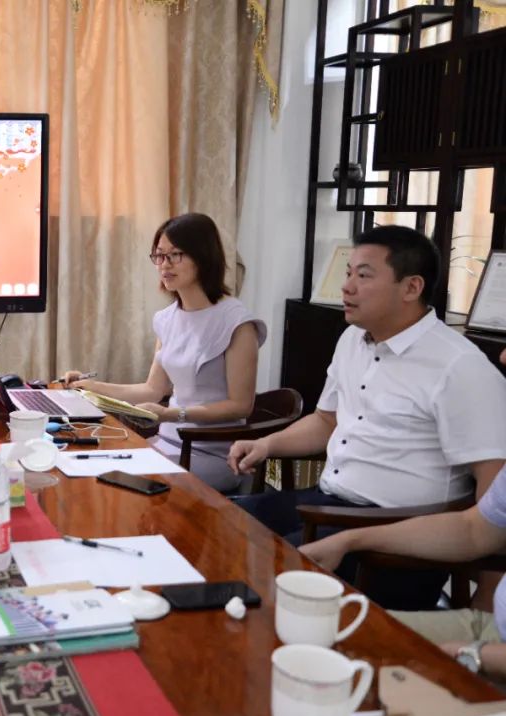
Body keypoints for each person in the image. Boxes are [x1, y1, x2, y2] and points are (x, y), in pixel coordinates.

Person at [229, 225, 506, 609]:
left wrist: (488, 597)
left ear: (411, 287)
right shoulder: (352, 339)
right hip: (327, 501)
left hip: (395, 531)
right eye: (348, 273)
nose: (346, 287)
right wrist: (266, 444)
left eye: (363, 276)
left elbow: (494, 493)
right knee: (218, 524)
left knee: (258, 578)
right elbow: (326, 422)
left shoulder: (460, 367)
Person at [301, 394, 506, 680]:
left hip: (491, 653)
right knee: (321, 632)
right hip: (490, 631)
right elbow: (472, 529)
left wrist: (475, 655)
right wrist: (349, 540)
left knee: (349, 671)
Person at [63, 212, 265, 493]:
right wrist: (90, 386)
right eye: (159, 256)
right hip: (166, 443)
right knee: (86, 468)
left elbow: (240, 406)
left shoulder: (237, 323)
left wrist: (171, 415)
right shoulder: (167, 319)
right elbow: (152, 390)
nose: (164, 265)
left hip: (214, 453)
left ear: (203, 257)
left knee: (118, 483)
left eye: (175, 255)